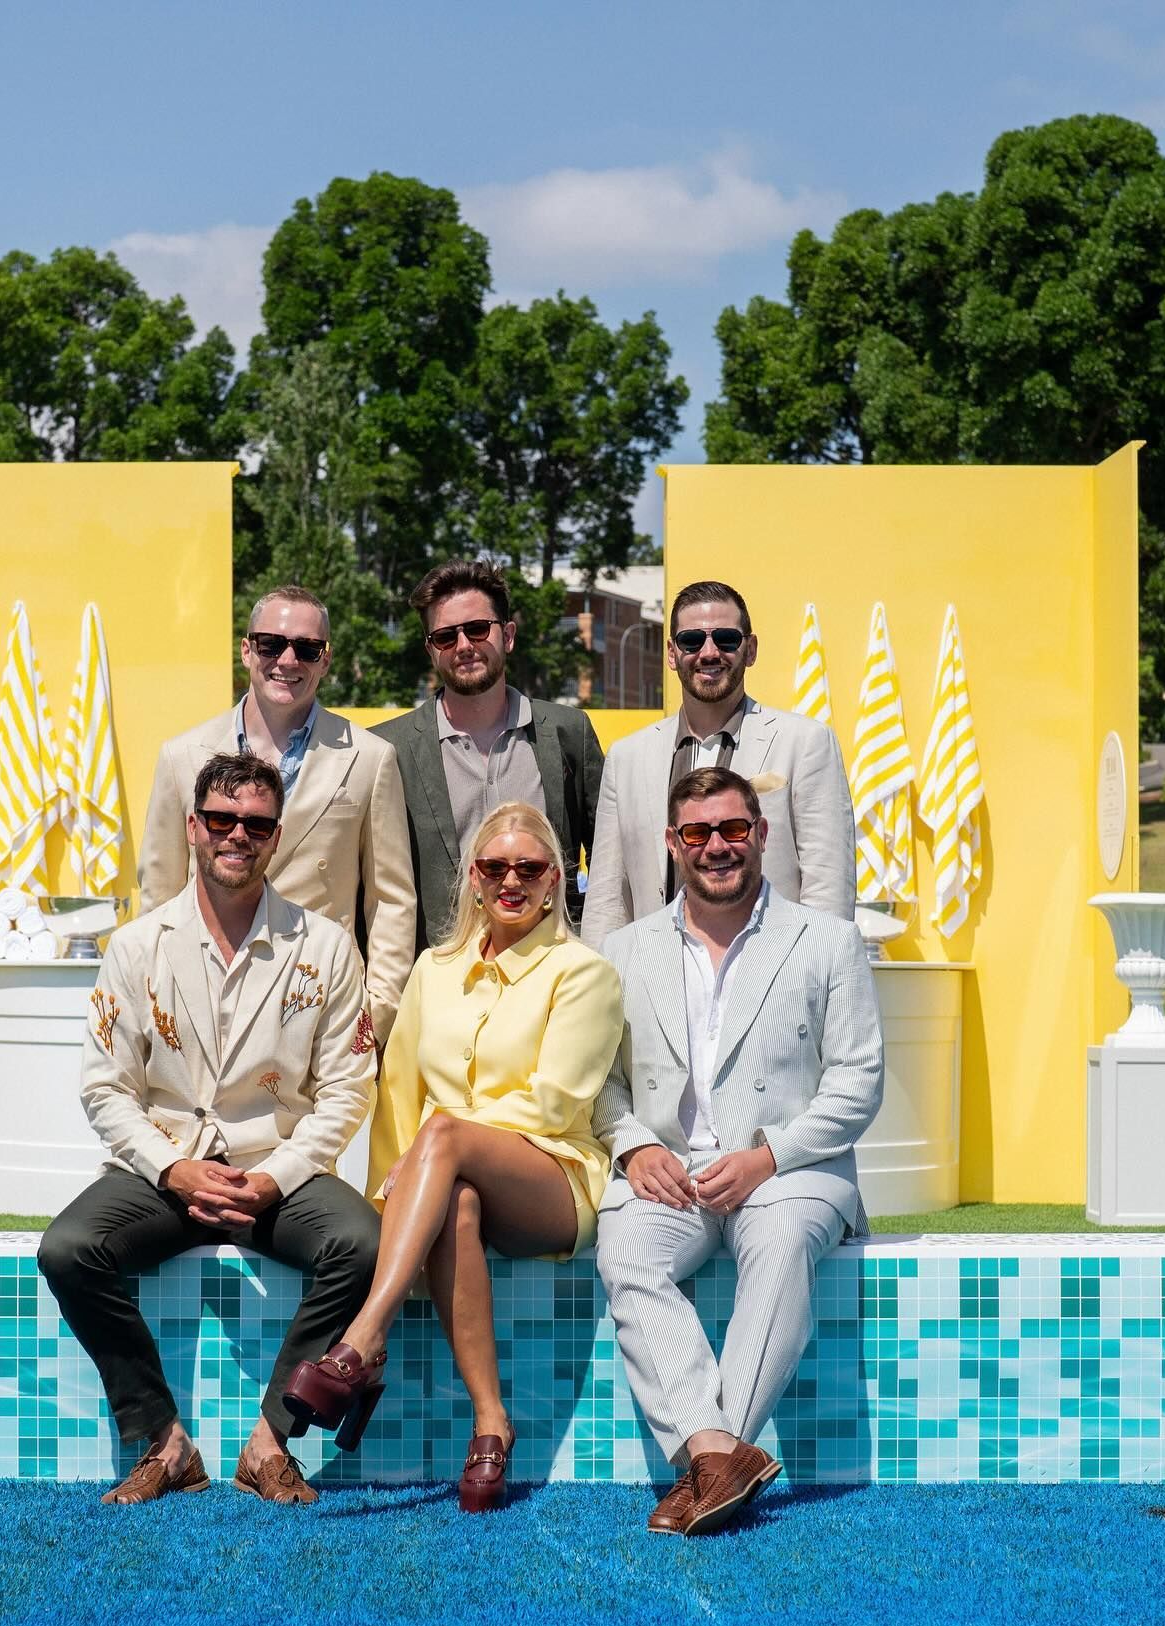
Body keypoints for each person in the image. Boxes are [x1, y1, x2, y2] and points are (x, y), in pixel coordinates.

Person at [40, 751, 381, 1508]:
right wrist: (171, 1169)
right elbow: (106, 1088)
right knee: (67, 1250)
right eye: (222, 819)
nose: (238, 835)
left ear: (276, 835)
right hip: (164, 1172)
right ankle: (166, 1442)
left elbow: (348, 1090)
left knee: (362, 1242)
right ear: (194, 827)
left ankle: (268, 1443)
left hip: (277, 1171)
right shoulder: (137, 946)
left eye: (255, 823)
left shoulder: (324, 947)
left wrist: (273, 1180)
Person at [282, 801, 624, 1512]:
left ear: (556, 880)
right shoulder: (434, 970)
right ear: (472, 876)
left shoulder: (585, 972)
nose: (511, 881)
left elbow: (556, 1105)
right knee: (455, 1198)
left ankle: (362, 1341)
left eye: (528, 869)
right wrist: (396, 1197)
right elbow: (397, 1096)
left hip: (554, 1176)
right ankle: (492, 1424)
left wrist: (439, 1148)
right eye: (495, 867)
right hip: (454, 1176)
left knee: (440, 1137)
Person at [593, 767, 882, 1537]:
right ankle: (720, 1452)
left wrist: (767, 1157)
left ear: (760, 834)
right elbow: (598, 1084)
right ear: (672, 844)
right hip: (672, 1170)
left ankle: (710, 1466)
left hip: (791, 1171)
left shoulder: (827, 941)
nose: (716, 846)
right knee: (623, 1249)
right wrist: (630, 1149)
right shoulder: (622, 951)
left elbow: (858, 1083)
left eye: (732, 830)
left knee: (782, 1240)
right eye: (697, 833)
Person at [137, 585, 415, 1044]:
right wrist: (154, 1003)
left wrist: (373, 1015)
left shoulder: (369, 758)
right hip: (203, 1000)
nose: (287, 661)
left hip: (320, 1004)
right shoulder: (181, 756)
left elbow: (391, 900)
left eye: (307, 648)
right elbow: (159, 893)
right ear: (247, 650)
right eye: (271, 644)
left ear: (325, 660)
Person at [581, 579, 854, 948]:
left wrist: (815, 977)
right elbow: (608, 897)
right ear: (672, 653)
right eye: (691, 640)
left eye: (726, 638)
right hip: (656, 980)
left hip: (770, 974)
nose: (709, 652)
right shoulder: (627, 758)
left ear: (751, 648)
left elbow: (828, 884)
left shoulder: (805, 743)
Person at [372, 559, 605, 952]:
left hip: (550, 976)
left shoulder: (568, 733)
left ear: (508, 635)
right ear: (431, 650)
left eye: (478, 630)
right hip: (441, 979)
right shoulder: (388, 751)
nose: (464, 646)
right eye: (446, 636)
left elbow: (607, 865)